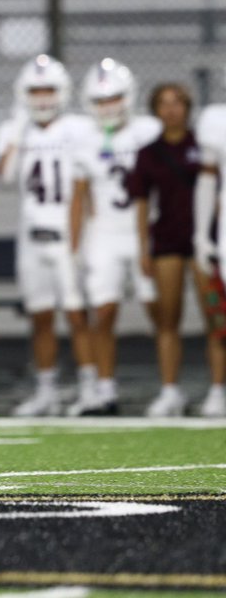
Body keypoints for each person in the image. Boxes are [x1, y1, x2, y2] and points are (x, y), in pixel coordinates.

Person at [0, 55, 96, 417]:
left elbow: (88, 186)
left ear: (62, 92)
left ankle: (90, 387)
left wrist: (79, 237)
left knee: (76, 314)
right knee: (39, 316)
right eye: (34, 90)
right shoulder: (15, 130)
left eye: (48, 89)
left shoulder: (78, 129)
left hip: (66, 233)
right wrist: (19, 133)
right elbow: (5, 175)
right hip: (30, 235)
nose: (41, 97)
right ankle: (46, 390)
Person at [69, 60, 160, 416]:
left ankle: (171, 386)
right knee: (103, 312)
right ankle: (105, 389)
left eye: (114, 98)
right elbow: (79, 196)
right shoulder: (85, 140)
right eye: (100, 99)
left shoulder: (148, 131)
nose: (108, 106)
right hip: (104, 231)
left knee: (159, 311)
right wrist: (75, 246)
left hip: (144, 229)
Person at [130, 83, 205, 417]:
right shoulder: (149, 153)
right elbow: (142, 203)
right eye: (164, 103)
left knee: (216, 318)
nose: (171, 109)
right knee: (167, 318)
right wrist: (143, 247)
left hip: (205, 240)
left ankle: (219, 389)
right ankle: (170, 389)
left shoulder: (205, 145)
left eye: (177, 102)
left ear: (188, 107)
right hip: (167, 240)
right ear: (155, 109)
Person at [192, 66, 226, 418]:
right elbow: (206, 181)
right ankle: (219, 388)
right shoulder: (217, 119)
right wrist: (202, 234)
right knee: (221, 318)